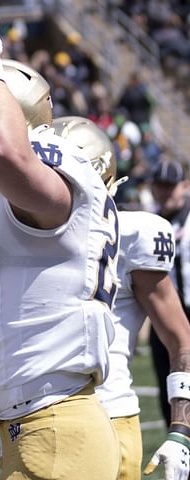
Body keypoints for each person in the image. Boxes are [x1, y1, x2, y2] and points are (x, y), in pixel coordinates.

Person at [0, 12, 120, 479]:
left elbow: (7, 151)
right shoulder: (16, 197)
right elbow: (39, 341)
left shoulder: (49, 170)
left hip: (58, 433)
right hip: (39, 424)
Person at [53, 116, 190, 479]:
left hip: (107, 415)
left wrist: (182, 431)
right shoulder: (22, 235)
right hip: (41, 421)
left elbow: (181, 338)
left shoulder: (136, 231)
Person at [147, 159, 190, 426]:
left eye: (170, 186)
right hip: (163, 314)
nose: (166, 192)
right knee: (170, 389)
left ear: (184, 186)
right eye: (161, 186)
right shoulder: (150, 223)